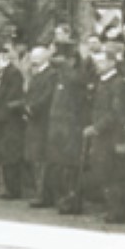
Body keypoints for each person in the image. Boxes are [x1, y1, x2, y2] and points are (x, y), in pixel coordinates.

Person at [83, 41, 125, 223]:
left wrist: (97, 127)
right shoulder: (102, 82)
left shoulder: (118, 84)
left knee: (112, 173)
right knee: (103, 172)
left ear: (112, 63)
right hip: (102, 136)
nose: (98, 66)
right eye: (97, 63)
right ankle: (111, 208)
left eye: (102, 63)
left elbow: (116, 112)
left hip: (112, 136)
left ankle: (117, 211)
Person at [47, 36, 89, 215]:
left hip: (71, 126)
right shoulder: (61, 76)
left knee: (70, 166)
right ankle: (62, 198)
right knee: (59, 164)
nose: (57, 61)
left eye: (63, 58)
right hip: (58, 125)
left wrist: (64, 64)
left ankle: (72, 201)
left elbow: (76, 80)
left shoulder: (77, 76)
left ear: (71, 59)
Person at [0, 40, 25, 199]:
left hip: (10, 122)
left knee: (10, 155)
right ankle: (5, 187)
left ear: (3, 58)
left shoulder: (13, 74)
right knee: (1, 154)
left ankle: (14, 189)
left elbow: (12, 98)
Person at [23, 46, 56, 207]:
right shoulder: (36, 75)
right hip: (34, 121)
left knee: (41, 159)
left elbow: (46, 97)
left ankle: (43, 195)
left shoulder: (50, 75)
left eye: (37, 57)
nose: (33, 61)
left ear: (45, 58)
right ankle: (39, 192)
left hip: (42, 122)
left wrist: (32, 108)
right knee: (35, 159)